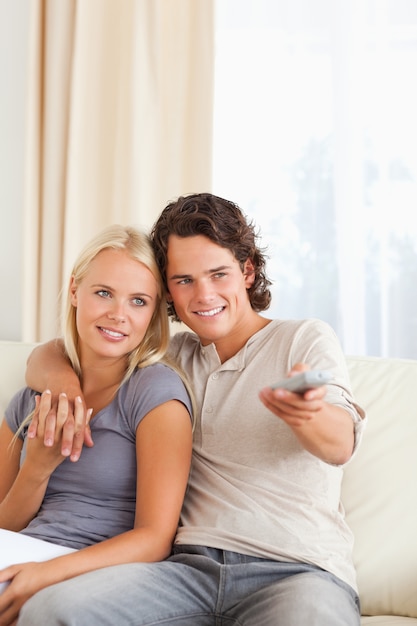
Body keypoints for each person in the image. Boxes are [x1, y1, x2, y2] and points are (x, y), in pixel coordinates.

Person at [16, 193, 365, 626]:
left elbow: (340, 443)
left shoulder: (302, 339)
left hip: (296, 572)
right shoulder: (169, 356)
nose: (203, 295)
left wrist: (308, 416)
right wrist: (66, 388)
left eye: (218, 274)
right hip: (185, 573)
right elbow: (50, 354)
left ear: (247, 271)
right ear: (167, 291)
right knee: (51, 611)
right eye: (183, 280)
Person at [0, 225, 193, 624]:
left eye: (138, 301)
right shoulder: (28, 400)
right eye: (103, 292)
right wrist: (36, 469)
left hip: (90, 571)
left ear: (153, 313)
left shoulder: (154, 393)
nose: (117, 314)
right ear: (75, 291)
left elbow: (156, 539)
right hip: (21, 552)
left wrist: (45, 573)